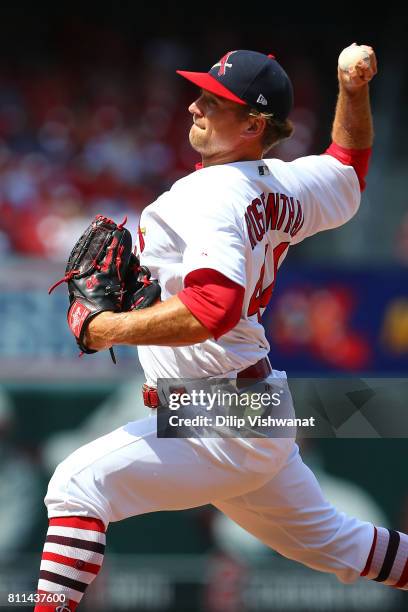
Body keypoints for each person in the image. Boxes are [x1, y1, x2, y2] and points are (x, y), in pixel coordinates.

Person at [34, 46, 408, 611]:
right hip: (251, 406)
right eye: (202, 93)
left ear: (254, 124)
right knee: (342, 543)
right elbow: (349, 169)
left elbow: (214, 307)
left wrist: (106, 328)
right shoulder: (285, 183)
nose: (194, 106)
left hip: (218, 414)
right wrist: (352, 92)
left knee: (76, 485)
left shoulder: (209, 196)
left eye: (216, 101)